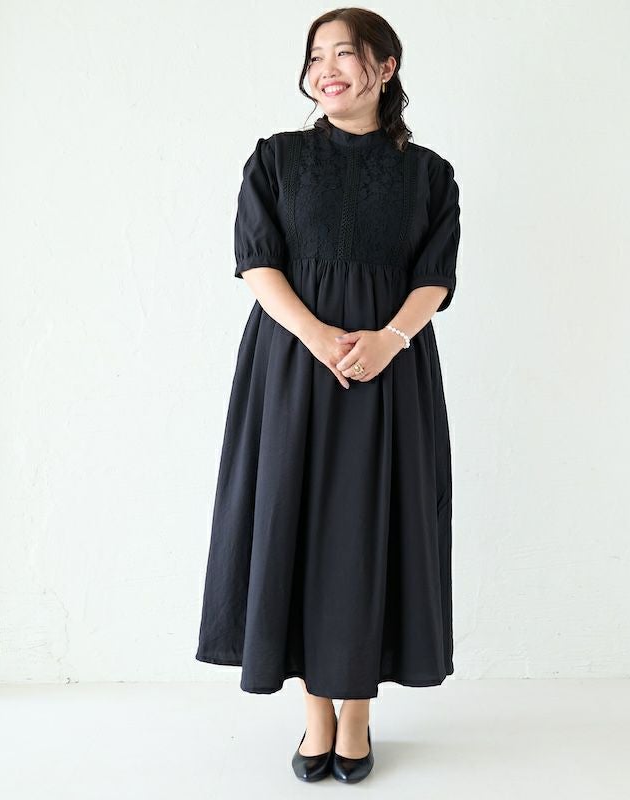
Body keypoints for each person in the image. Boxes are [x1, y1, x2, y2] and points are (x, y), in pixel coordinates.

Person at [195, 7, 461, 784]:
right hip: (292, 365)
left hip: (390, 372)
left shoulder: (430, 174)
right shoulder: (276, 159)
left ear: (386, 66)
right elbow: (257, 262)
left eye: (345, 53)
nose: (327, 69)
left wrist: (389, 339)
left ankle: (358, 716)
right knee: (298, 524)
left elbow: (434, 276)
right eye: (316, 56)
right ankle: (316, 714)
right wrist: (316, 336)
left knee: (371, 531)